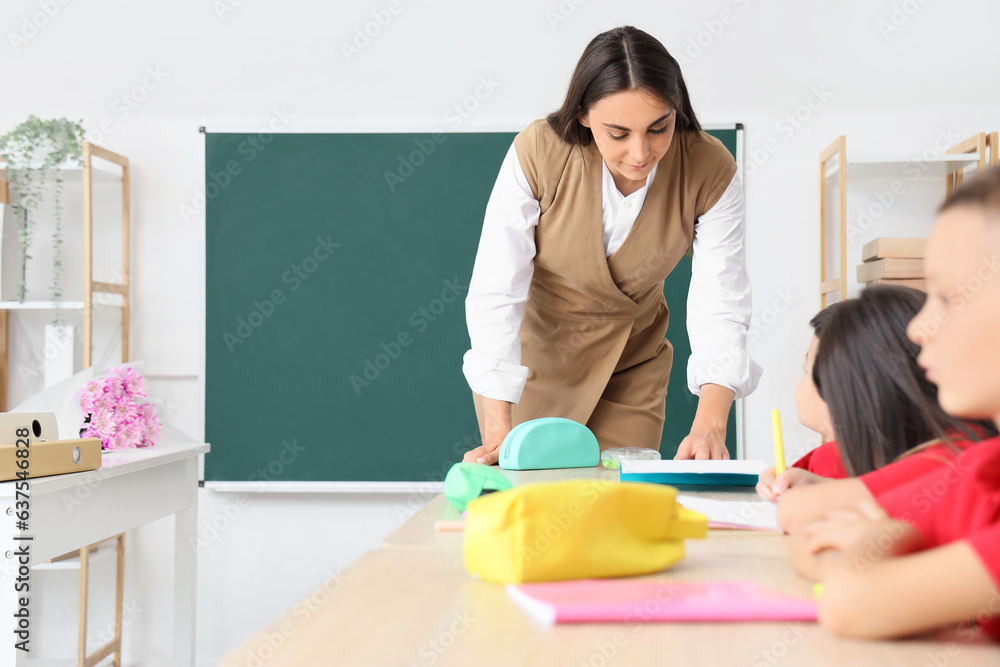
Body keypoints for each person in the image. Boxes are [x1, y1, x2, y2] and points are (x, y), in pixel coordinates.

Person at [460, 26, 761, 465]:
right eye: (618, 133)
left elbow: (721, 302)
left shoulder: (709, 168)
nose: (640, 152)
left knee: (621, 505)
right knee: (535, 506)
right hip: (535, 365)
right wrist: (497, 432)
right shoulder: (540, 152)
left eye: (659, 128)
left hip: (632, 362)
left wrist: (710, 425)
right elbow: (496, 289)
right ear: (582, 114)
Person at [790, 166, 1000, 640]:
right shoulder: (984, 469)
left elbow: (852, 603)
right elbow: (814, 543)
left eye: (947, 297)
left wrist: (872, 542)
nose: (917, 328)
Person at [753, 287, 994, 533]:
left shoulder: (960, 456)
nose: (921, 327)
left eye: (809, 370)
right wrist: (817, 485)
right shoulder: (958, 445)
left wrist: (812, 493)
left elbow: (796, 512)